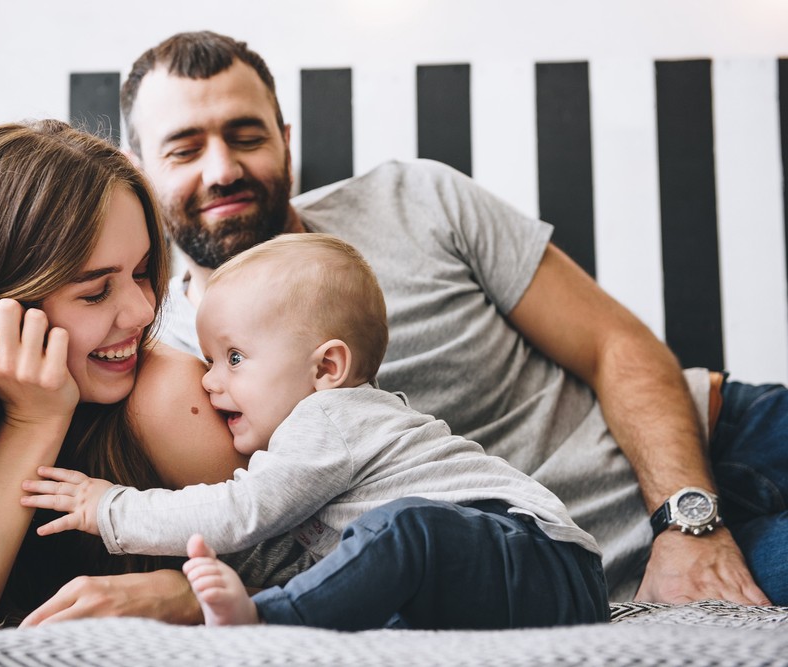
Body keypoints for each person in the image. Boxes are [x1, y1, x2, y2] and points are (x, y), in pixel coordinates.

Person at [117, 30, 786, 606]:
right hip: (590, 571)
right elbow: (258, 535)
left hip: (714, 437)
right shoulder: (179, 368)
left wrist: (683, 521)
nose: (223, 167)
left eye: (246, 135)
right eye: (183, 148)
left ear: (286, 142)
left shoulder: (415, 198)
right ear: (139, 169)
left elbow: (615, 343)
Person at [20, 233, 610, 631]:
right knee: (376, 574)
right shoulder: (326, 429)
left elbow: (239, 512)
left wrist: (111, 509)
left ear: (326, 368)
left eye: (235, 359)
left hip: (538, 556)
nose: (209, 383)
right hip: (498, 582)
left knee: (402, 528)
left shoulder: (329, 418)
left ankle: (269, 623)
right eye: (209, 360)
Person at [0, 119, 253, 628]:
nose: (144, 312)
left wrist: (187, 594)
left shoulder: (166, 396)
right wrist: (33, 423)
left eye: (144, 272)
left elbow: (340, 568)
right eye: (95, 292)